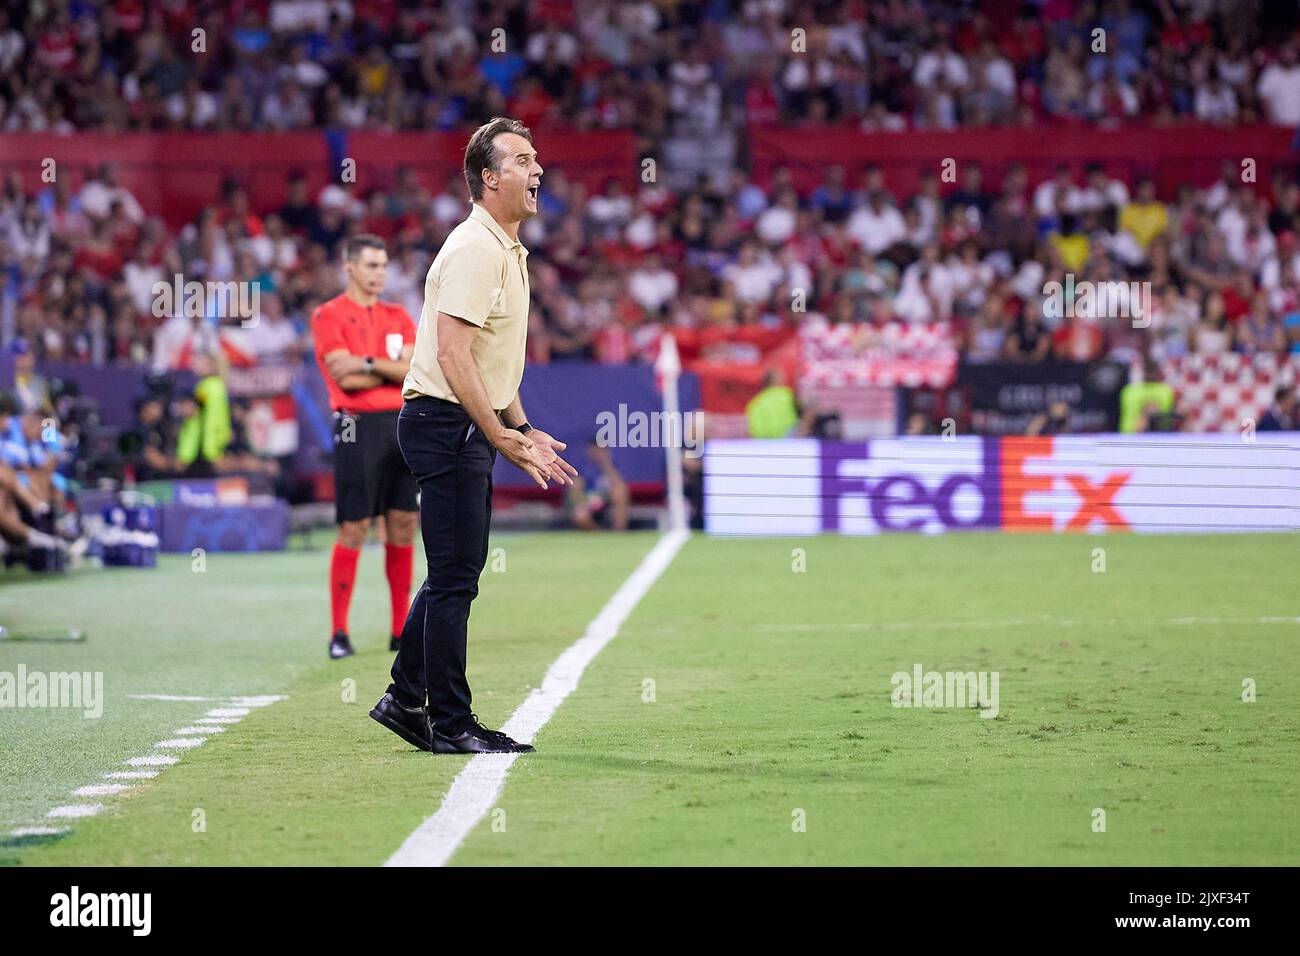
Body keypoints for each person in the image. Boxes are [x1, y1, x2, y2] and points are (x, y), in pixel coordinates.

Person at [368, 117, 576, 756]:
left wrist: (522, 428)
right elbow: (453, 355)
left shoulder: (503, 248)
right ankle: (450, 722)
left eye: (536, 159)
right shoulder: (476, 249)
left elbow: (490, 361)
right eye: (521, 160)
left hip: (455, 423)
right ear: (488, 179)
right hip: (444, 421)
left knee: (455, 570)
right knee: (457, 577)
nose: (537, 169)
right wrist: (496, 434)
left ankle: (405, 699)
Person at [310, 234, 419, 660]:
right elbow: (344, 380)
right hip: (356, 427)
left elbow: (412, 372)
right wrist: (388, 372)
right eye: (372, 265)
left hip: (402, 425)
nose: (380, 273)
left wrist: (368, 363)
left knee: (403, 524)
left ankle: (399, 631)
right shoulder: (328, 314)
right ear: (350, 267)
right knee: (354, 526)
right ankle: (339, 632)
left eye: (384, 265)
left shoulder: (399, 315)